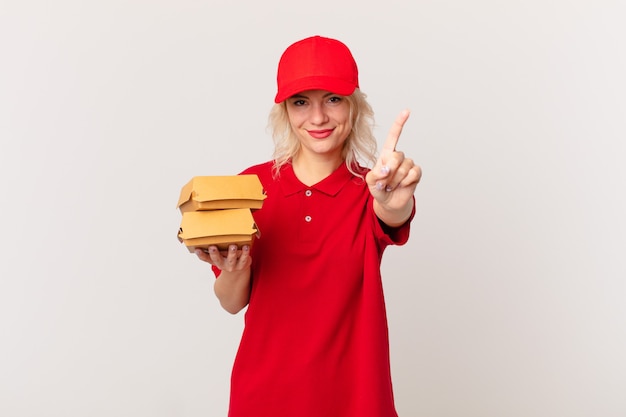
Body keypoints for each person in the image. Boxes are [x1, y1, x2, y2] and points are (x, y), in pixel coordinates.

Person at [195, 35, 422, 417]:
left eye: (333, 99)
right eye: (301, 102)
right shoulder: (251, 188)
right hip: (263, 400)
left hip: (354, 402)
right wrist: (236, 269)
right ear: (284, 111)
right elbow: (232, 302)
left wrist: (393, 203)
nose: (317, 118)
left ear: (355, 107)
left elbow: (394, 213)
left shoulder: (371, 190)